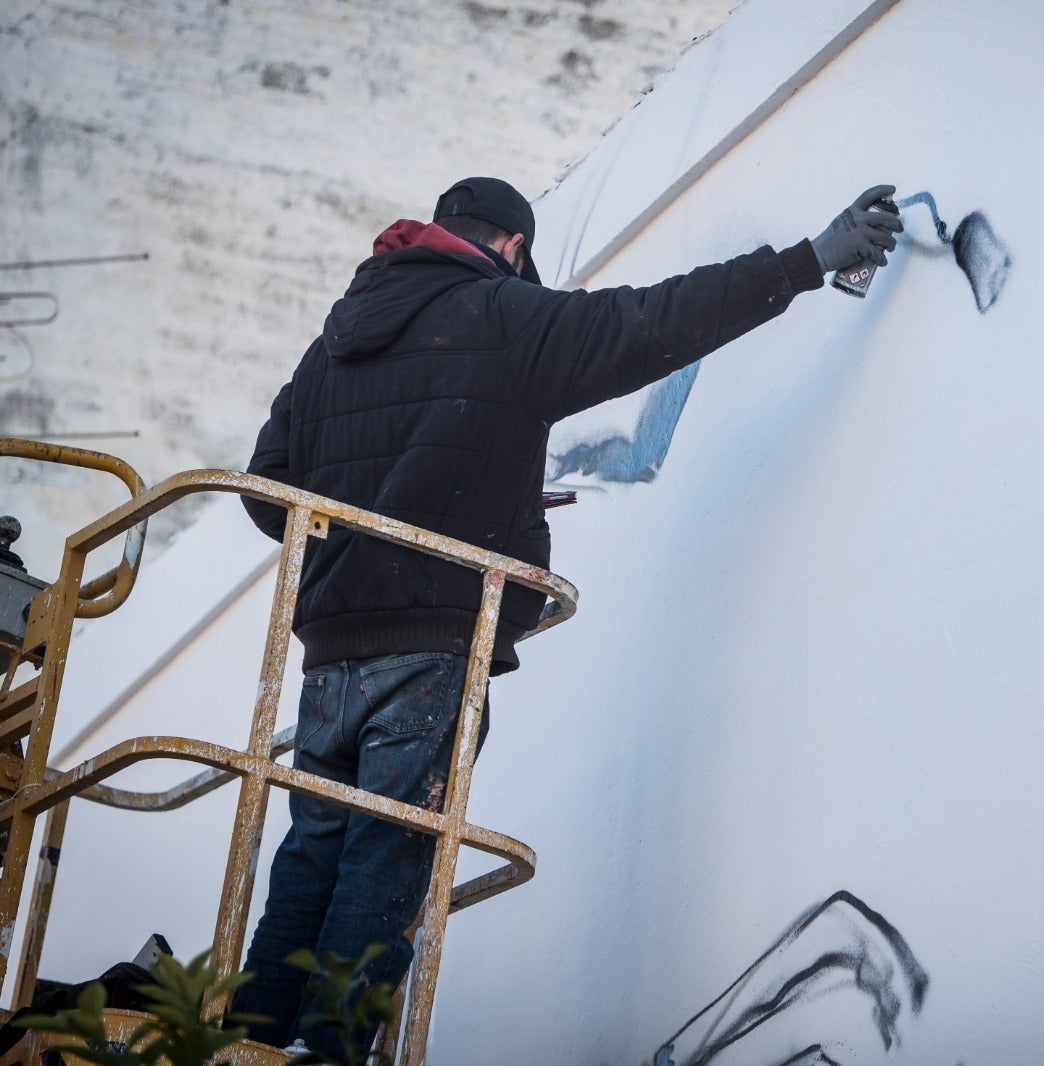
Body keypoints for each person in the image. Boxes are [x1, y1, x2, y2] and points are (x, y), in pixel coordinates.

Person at [233, 176, 903, 1054]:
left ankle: (240, 1040)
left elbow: (265, 486)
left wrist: (397, 504)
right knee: (388, 854)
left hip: (326, 654)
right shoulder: (504, 313)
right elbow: (651, 322)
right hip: (433, 640)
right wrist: (813, 260)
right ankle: (328, 1051)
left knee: (312, 853)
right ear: (512, 248)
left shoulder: (330, 348)